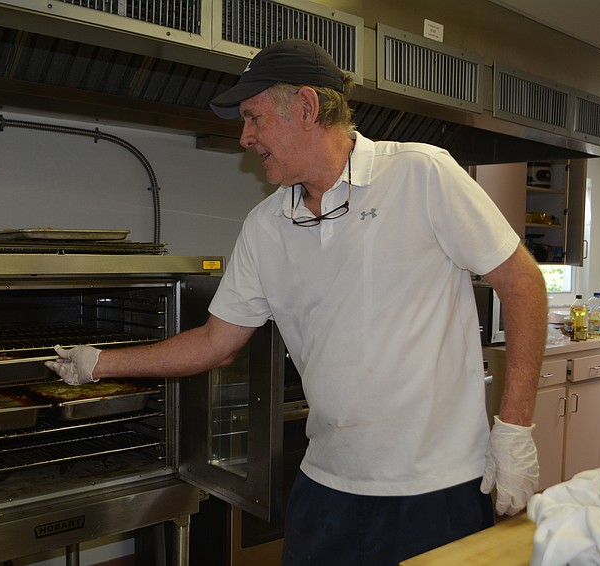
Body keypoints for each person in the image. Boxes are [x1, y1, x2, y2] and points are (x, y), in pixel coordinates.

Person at [47, 38, 549, 565]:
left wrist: (513, 429)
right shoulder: (266, 227)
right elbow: (216, 343)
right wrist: (100, 363)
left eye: (254, 118)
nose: (245, 137)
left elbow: (522, 283)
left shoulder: (421, 173)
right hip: (326, 487)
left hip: (434, 489)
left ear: (306, 108)